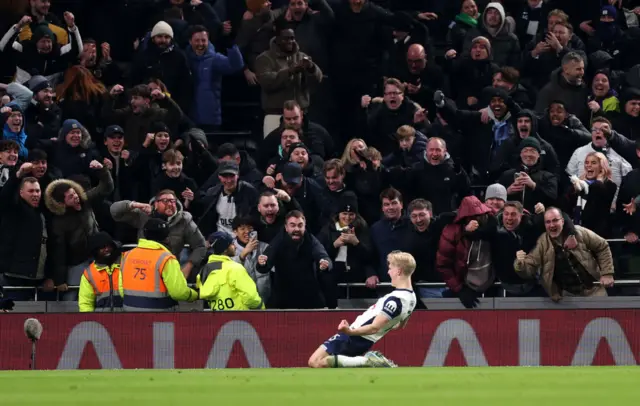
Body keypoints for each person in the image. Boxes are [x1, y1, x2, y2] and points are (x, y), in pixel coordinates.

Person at [307, 251, 417, 369]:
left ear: (398, 271)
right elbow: (400, 325)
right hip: (363, 339)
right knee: (323, 363)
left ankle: (368, 361)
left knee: (315, 362)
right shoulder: (411, 298)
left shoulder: (395, 300)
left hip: (356, 336)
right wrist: (384, 327)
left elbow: (374, 327)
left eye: (390, 268)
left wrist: (349, 332)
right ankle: (366, 362)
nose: (388, 272)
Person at [120, 217, 198, 311]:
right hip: (158, 316)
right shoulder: (166, 259)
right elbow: (178, 292)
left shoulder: (127, 255)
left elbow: (121, 290)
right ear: (166, 238)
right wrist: (194, 295)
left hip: (129, 313)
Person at [197, 231, 265, 311]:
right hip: (242, 320)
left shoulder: (203, 271)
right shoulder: (235, 268)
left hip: (219, 321)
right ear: (225, 249)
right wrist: (261, 307)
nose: (235, 246)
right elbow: (251, 297)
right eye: (232, 244)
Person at [78, 232, 123, 312]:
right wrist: (89, 322)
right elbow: (86, 304)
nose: (107, 249)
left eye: (109, 245)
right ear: (95, 250)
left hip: (128, 318)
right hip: (101, 321)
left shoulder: (125, 263)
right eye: (102, 247)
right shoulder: (89, 273)